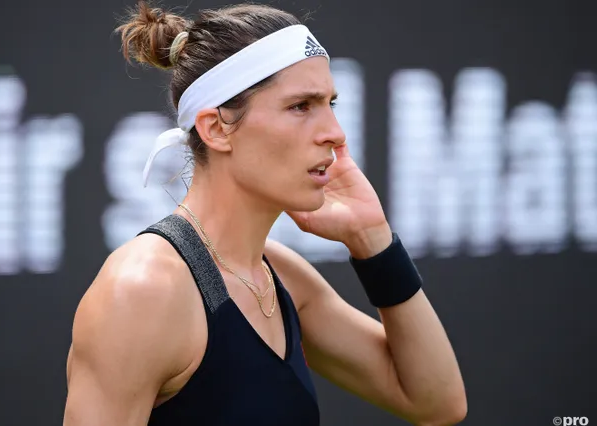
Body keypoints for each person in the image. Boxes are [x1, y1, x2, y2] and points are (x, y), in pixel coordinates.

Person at [63, 2, 467, 425]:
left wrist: (373, 241)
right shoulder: (144, 290)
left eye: (330, 103)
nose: (335, 132)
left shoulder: (280, 275)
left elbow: (436, 402)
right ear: (217, 129)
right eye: (301, 106)